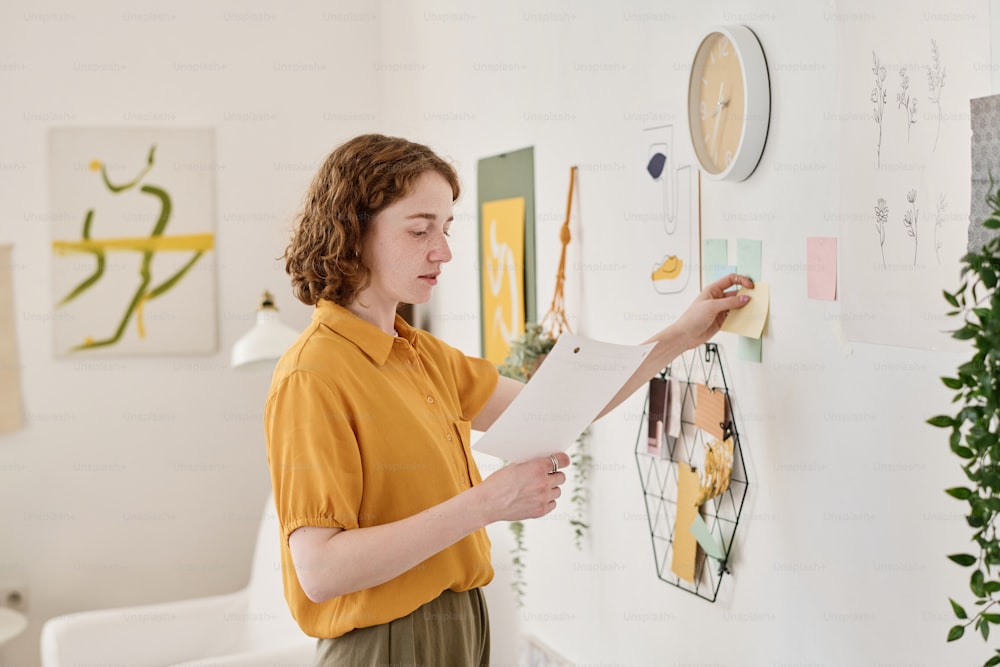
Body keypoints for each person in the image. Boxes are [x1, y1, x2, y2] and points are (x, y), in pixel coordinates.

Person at [264, 133, 753, 666]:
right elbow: (321, 570)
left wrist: (680, 335)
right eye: (420, 229)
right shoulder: (313, 374)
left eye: (446, 229)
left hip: (462, 627)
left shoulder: (422, 354)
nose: (444, 251)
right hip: (385, 645)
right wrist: (489, 502)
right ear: (353, 230)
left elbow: (562, 407)